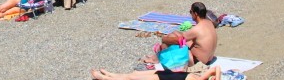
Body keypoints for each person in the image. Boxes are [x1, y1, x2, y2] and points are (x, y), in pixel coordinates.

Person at [155, 2, 218, 68]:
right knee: (176, 33)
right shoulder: (209, 23)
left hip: (198, 62)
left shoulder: (197, 29)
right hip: (209, 59)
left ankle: (158, 58)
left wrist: (164, 39)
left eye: (191, 12)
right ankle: (159, 55)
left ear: (195, 14)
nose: (190, 14)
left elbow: (179, 40)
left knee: (170, 38)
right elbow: (183, 37)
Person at [89, 65, 223, 80]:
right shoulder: (202, 78)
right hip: (167, 74)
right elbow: (216, 68)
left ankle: (104, 77)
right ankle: (111, 74)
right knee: (134, 74)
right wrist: (217, 77)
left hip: (165, 78)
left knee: (132, 78)